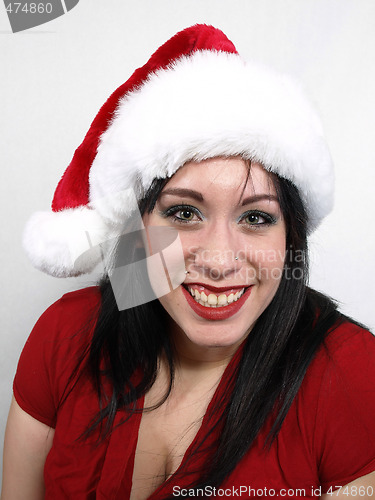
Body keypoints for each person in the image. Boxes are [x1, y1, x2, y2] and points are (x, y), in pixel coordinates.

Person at [2, 24, 375, 500]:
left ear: (291, 237)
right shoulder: (65, 334)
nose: (219, 261)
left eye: (256, 216)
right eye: (183, 212)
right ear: (137, 227)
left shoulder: (352, 378)